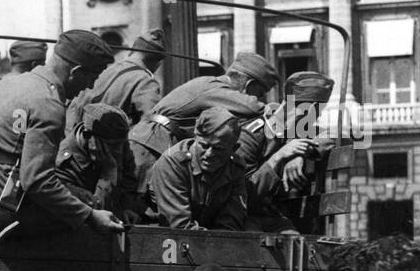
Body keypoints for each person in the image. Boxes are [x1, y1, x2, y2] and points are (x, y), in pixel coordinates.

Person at [0, 29, 126, 237]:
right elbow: (37, 182)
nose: (89, 86)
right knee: (87, 211)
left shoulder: (0, 86)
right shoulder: (48, 102)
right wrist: (89, 215)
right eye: (92, 77)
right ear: (76, 72)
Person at [129, 51, 276, 195]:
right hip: (151, 145)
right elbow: (251, 107)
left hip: (153, 140)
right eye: (260, 93)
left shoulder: (211, 84)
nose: (261, 98)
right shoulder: (215, 88)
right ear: (249, 85)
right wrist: (279, 111)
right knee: (140, 200)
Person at [237, 71, 335, 231]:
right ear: (290, 106)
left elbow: (332, 137)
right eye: (310, 114)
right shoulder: (252, 134)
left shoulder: (297, 133)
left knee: (297, 247)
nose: (313, 121)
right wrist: (279, 157)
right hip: (243, 218)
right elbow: (244, 195)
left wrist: (300, 151)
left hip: (272, 217)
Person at [145, 107, 248, 231]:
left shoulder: (235, 168)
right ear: (195, 139)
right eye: (204, 146)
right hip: (161, 237)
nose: (209, 154)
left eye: (218, 148)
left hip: (207, 239)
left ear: (234, 149)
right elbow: (179, 225)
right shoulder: (173, 164)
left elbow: (231, 223)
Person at [56, 98, 141, 220]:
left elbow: (129, 180)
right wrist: (108, 174)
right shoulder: (64, 164)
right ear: (87, 136)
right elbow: (96, 210)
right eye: (111, 145)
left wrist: (127, 208)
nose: (118, 151)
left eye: (121, 144)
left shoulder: (118, 143)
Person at [84, 28, 164, 125]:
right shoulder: (145, 82)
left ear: (133, 49)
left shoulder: (106, 70)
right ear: (157, 62)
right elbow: (151, 125)